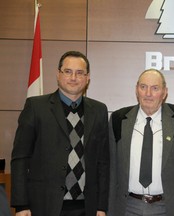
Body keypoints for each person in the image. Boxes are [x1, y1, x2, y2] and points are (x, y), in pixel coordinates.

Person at [11, 51, 109, 216]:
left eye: (80, 73)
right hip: (44, 205)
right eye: (68, 71)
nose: (73, 78)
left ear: (88, 78)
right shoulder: (36, 107)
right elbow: (20, 158)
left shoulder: (99, 110)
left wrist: (101, 206)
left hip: (87, 206)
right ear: (58, 74)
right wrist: (21, 205)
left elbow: (103, 162)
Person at [108, 69, 174, 216]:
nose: (148, 93)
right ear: (136, 90)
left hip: (167, 208)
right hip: (127, 207)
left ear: (164, 92)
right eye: (143, 87)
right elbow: (111, 172)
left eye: (155, 88)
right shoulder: (118, 119)